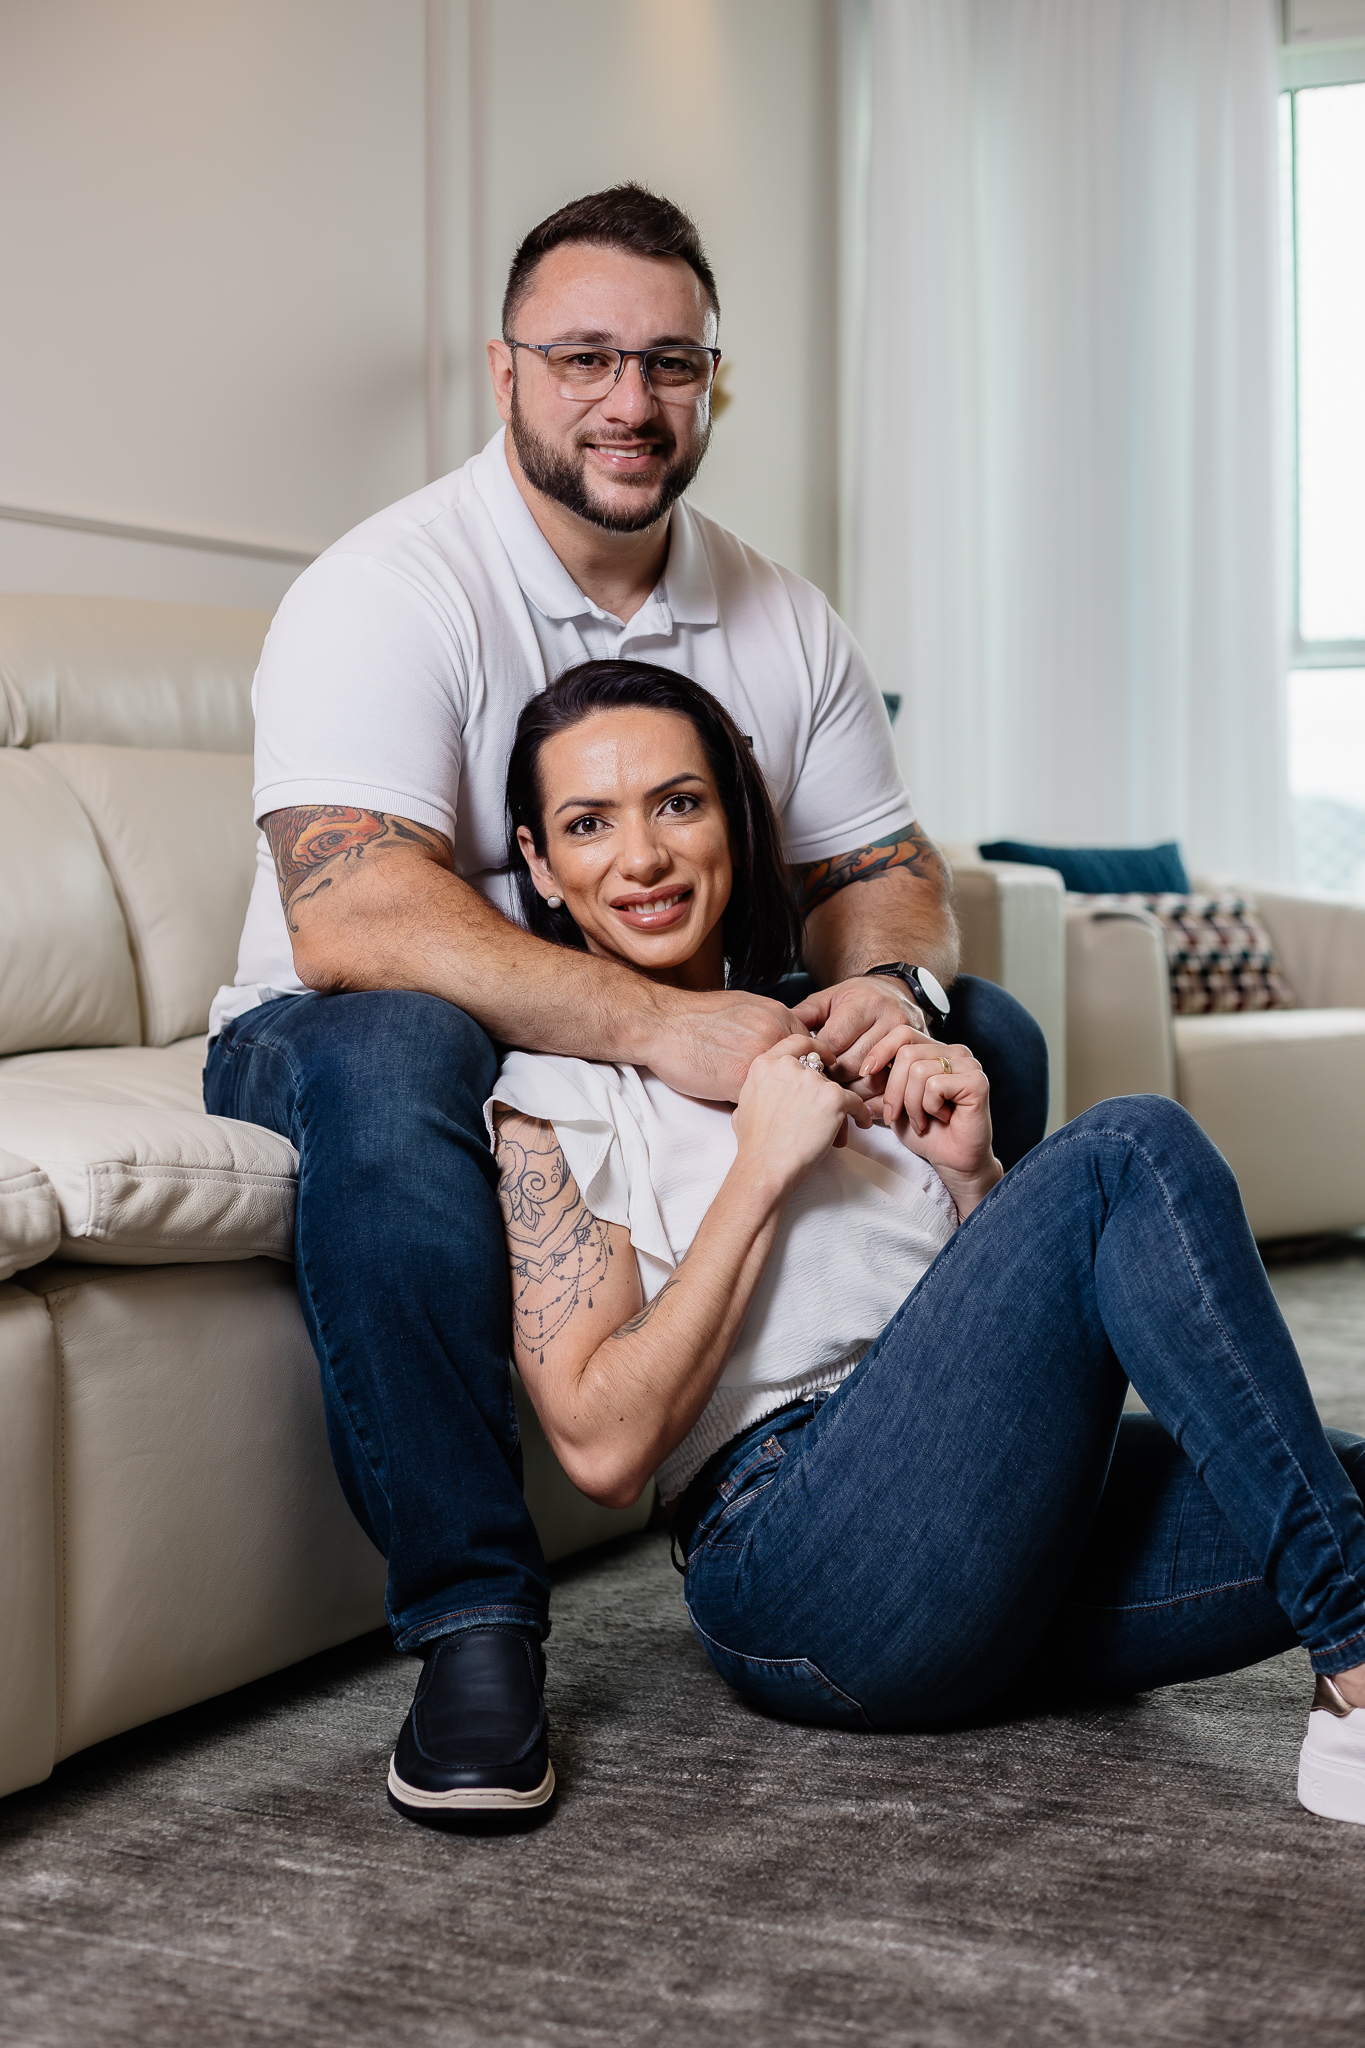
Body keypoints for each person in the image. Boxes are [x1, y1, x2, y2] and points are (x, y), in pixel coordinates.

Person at [203, 183, 1048, 1825]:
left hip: (672, 1002)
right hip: (342, 1023)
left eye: (670, 363)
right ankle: (473, 1626)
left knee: (982, 1032)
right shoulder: (389, 586)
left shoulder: (781, 615)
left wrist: (884, 989)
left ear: (711, 381)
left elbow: (884, 867)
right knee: (400, 1057)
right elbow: (355, 910)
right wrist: (666, 1030)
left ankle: (942, 1476)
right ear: (505, 371)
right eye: (584, 357)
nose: (629, 401)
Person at [483, 657, 1365, 1831]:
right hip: (794, 1567)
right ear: (542, 862)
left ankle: (1096, 1645)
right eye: (589, 823)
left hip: (987, 1540)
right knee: (1127, 1146)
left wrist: (969, 1174)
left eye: (677, 803)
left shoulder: (850, 1026)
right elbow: (601, 1447)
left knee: (1339, 1482)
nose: (640, 856)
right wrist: (760, 1166)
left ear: (732, 818)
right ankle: (1358, 1668)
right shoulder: (553, 1100)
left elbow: (988, 1372)